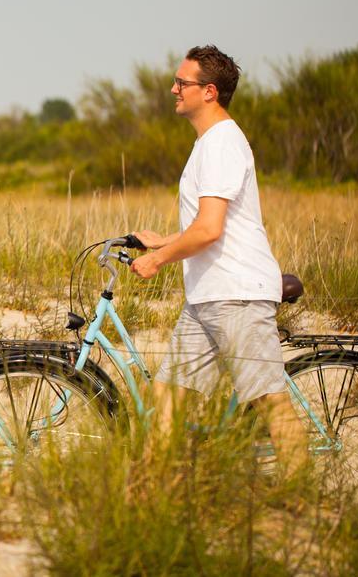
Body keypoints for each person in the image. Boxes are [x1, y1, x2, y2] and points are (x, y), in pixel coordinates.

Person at [129, 45, 308, 473]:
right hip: (209, 297)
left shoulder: (222, 143)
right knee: (168, 394)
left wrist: (158, 262)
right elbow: (211, 225)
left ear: (209, 92)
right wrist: (165, 241)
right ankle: (154, 488)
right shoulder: (208, 143)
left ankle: (303, 495)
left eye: (182, 83)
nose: (173, 89)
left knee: (269, 401)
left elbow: (210, 230)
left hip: (238, 295)